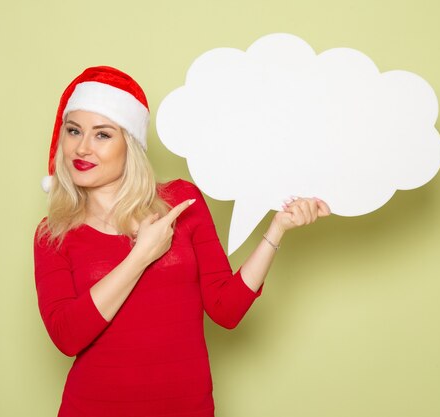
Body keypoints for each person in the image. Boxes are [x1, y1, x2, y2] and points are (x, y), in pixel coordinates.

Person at [34, 66, 330, 417]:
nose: (82, 148)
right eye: (74, 131)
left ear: (130, 144)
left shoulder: (181, 202)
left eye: (102, 135)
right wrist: (140, 255)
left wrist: (277, 228)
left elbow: (226, 309)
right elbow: (67, 337)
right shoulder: (53, 234)